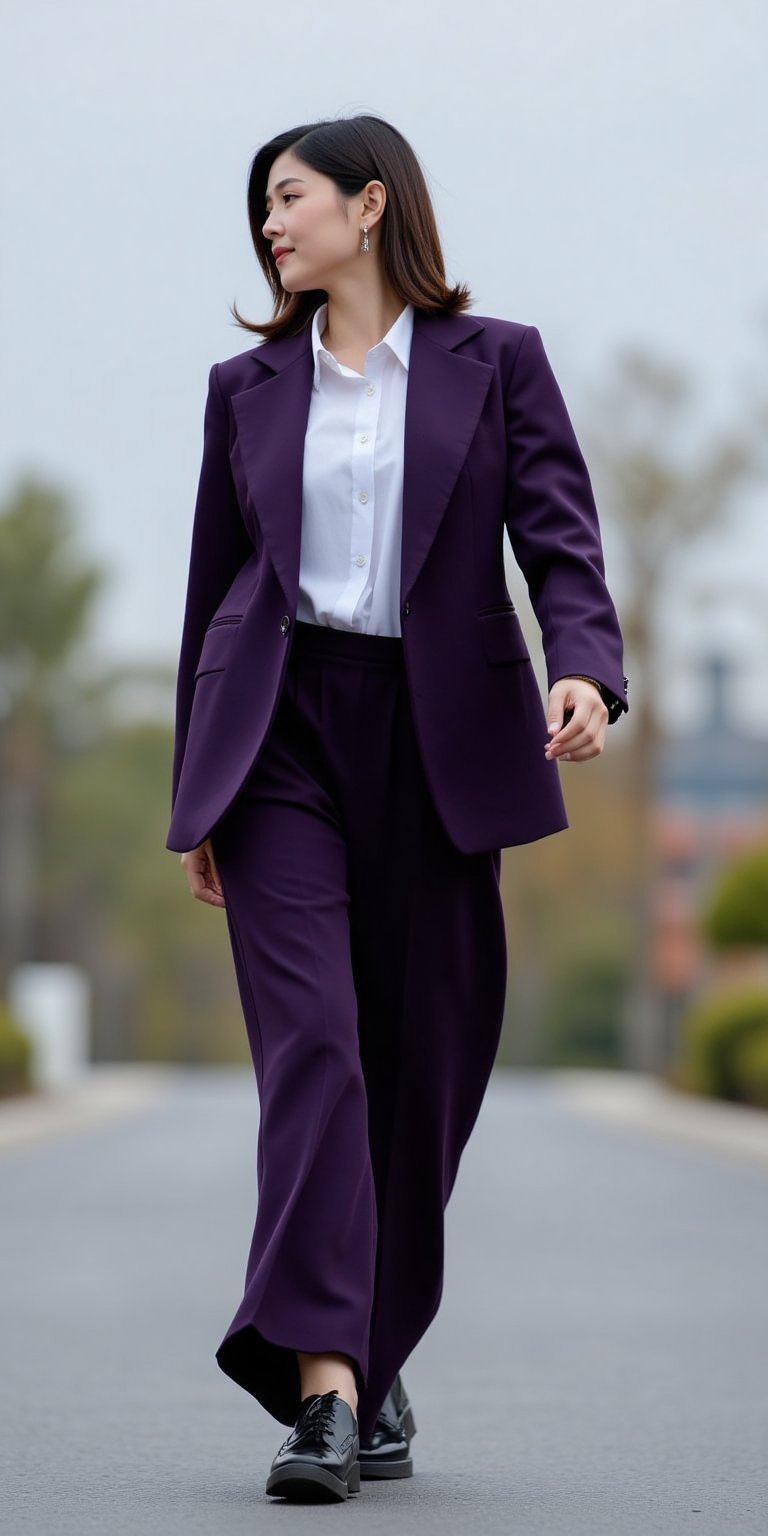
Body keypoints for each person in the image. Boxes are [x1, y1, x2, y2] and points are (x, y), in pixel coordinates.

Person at [166, 113, 628, 1504]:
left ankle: (372, 1341)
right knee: (317, 1051)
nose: (270, 223)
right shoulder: (243, 387)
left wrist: (589, 673)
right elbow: (212, 594)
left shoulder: (500, 367)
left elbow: (558, 535)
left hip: (442, 744)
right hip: (285, 736)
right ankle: (323, 1395)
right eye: (260, 207)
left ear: (372, 207)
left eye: (290, 198)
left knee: (422, 1077)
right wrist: (203, 789)